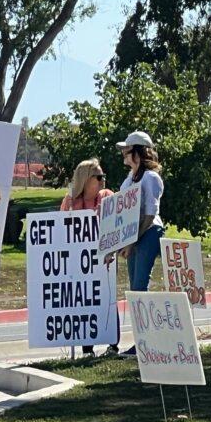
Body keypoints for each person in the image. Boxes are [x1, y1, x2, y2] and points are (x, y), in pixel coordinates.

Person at [106, 131, 165, 356]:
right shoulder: (129, 179)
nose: (123, 153)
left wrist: (131, 241)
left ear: (137, 153)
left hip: (149, 233)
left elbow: (150, 215)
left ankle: (146, 342)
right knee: (135, 289)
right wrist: (117, 245)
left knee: (140, 287)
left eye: (127, 150)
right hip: (136, 237)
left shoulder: (150, 178)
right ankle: (143, 340)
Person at [61, 158, 113, 355]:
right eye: (98, 176)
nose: (102, 180)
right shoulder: (70, 202)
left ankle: (112, 345)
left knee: (107, 299)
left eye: (103, 176)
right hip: (80, 263)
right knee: (85, 302)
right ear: (85, 178)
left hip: (105, 261)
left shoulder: (108, 196)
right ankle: (87, 349)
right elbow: (60, 232)